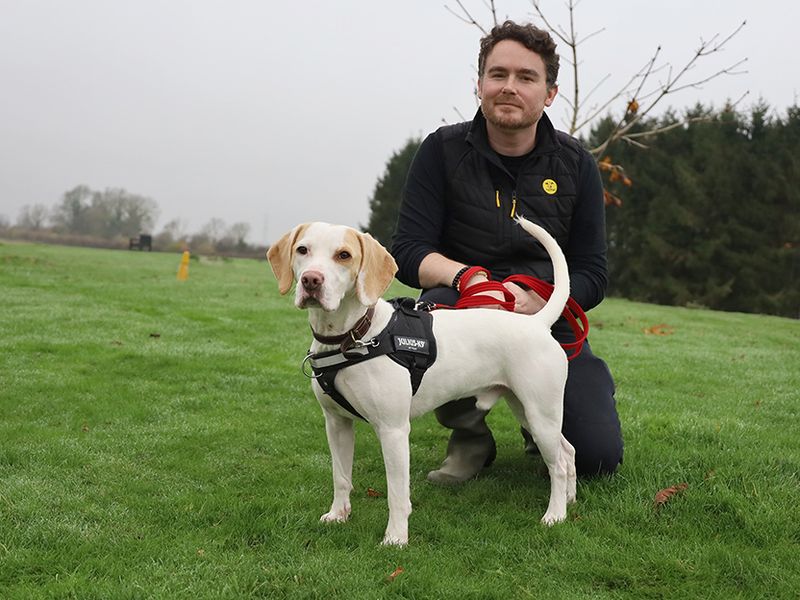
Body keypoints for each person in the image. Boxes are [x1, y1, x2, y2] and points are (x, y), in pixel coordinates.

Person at [391, 20, 623, 482]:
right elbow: (408, 250)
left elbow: (593, 273)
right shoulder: (441, 150)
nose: (509, 87)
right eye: (498, 75)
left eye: (526, 77)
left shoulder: (577, 163)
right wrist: (469, 279)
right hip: (461, 308)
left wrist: (535, 296)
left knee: (597, 457)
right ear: (479, 84)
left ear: (550, 92)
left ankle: (538, 423)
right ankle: (470, 438)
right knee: (430, 317)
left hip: (544, 315)